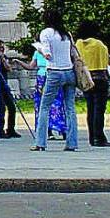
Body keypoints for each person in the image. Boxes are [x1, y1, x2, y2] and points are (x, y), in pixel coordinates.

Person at [31, 10, 78, 152]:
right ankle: (72, 142)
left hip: (54, 72)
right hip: (69, 71)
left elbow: (47, 54)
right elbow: (73, 53)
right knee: (70, 108)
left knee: (44, 107)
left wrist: (39, 48)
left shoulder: (46, 33)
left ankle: (40, 142)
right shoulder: (66, 34)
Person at [0, 39, 33, 139]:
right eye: (1, 48)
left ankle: (11, 129)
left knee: (12, 106)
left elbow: (9, 69)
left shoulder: (4, 57)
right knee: (1, 108)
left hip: (3, 84)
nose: (2, 50)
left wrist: (3, 60)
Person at [74, 21, 110, 148]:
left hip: (86, 79)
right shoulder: (99, 44)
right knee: (99, 109)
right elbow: (109, 61)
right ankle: (99, 137)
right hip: (100, 79)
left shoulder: (78, 44)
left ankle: (92, 137)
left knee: (90, 108)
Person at [31, 48, 68, 141]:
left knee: (56, 104)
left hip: (52, 75)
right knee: (41, 105)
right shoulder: (37, 53)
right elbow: (31, 66)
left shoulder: (53, 50)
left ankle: (62, 129)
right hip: (41, 77)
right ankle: (48, 131)